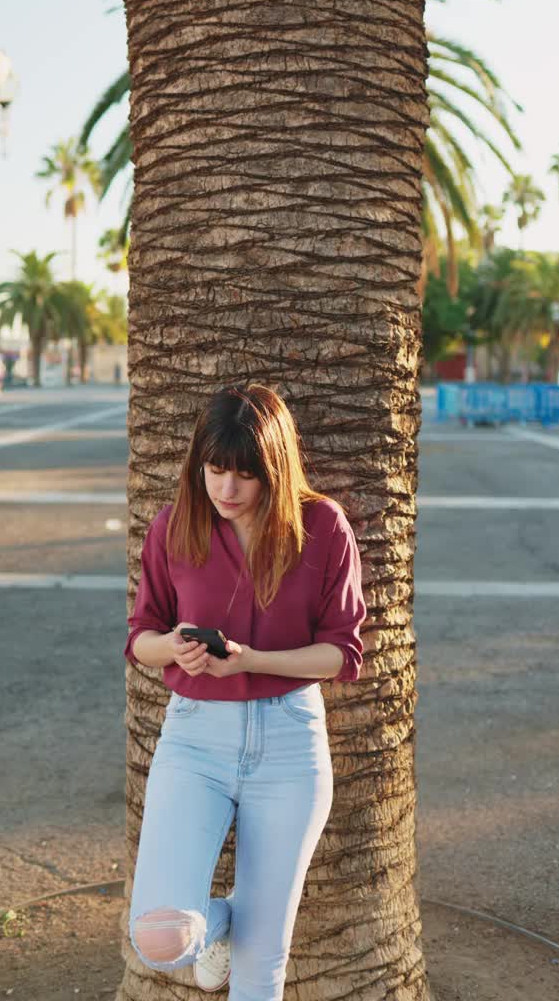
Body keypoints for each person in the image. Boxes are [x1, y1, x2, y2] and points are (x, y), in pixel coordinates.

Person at [124, 381, 367, 1000]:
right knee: (161, 936)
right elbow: (140, 638)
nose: (226, 490)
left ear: (275, 469)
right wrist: (174, 644)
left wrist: (251, 661)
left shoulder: (322, 527)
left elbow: (341, 651)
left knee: (262, 969)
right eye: (214, 470)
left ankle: (246, 929)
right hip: (194, 739)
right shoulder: (175, 528)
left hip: (290, 743)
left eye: (244, 475)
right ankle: (225, 920)